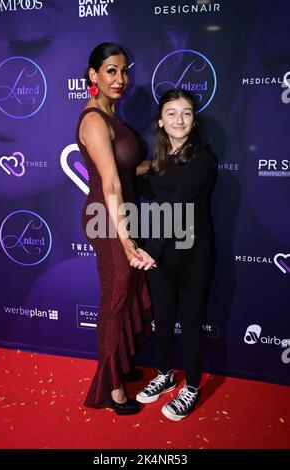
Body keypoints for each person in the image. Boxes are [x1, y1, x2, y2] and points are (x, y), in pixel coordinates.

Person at [76, 42, 154, 415]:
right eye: (111, 70)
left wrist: (156, 166)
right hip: (106, 220)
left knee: (128, 292)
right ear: (94, 76)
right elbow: (109, 184)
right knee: (116, 299)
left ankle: (119, 364)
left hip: (121, 214)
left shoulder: (113, 115)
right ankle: (111, 388)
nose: (120, 79)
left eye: (124, 70)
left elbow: (125, 171)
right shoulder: (93, 119)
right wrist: (125, 241)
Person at [130, 89, 216, 421]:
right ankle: (165, 375)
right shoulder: (158, 162)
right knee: (162, 321)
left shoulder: (203, 158)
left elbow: (179, 204)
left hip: (193, 253)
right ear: (160, 121)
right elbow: (137, 188)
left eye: (187, 113)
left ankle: (191, 387)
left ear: (194, 121)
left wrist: (150, 250)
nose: (179, 120)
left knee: (191, 324)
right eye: (171, 113)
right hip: (162, 252)